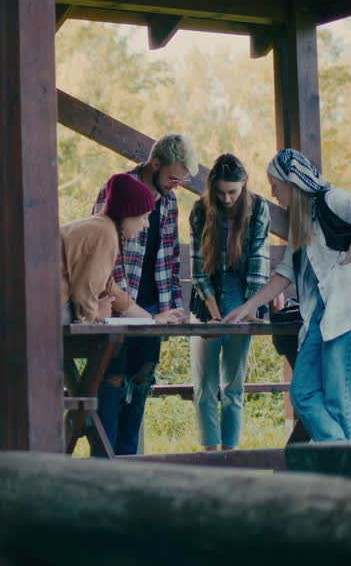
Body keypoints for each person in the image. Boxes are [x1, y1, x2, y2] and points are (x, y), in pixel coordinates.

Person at [223, 149, 351, 442]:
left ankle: (345, 466)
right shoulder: (301, 222)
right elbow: (285, 272)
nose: (273, 193)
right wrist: (248, 306)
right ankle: (343, 455)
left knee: (340, 402)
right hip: (322, 314)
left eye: (275, 185)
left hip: (350, 310)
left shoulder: (330, 200)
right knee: (303, 393)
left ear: (292, 182)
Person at [86, 133, 196, 457]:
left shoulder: (170, 200)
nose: (176, 186)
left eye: (181, 181)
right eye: (173, 178)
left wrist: (173, 308)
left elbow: (171, 257)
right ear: (156, 164)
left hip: (153, 303)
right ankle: (105, 462)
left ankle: (130, 462)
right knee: (112, 380)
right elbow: (104, 252)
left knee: (142, 380)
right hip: (118, 302)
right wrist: (125, 306)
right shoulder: (119, 187)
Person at [188, 154, 272, 451]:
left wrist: (248, 309)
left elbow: (259, 261)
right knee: (205, 385)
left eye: (232, 192)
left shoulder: (258, 208)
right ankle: (211, 455)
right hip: (206, 298)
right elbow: (198, 269)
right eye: (220, 192)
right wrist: (213, 316)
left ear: (244, 184)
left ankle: (230, 453)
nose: (226, 199)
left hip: (242, 295)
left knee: (233, 386)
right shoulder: (200, 209)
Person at [59, 173, 182, 326]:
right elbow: (84, 294)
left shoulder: (102, 226)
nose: (147, 224)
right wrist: (96, 313)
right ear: (128, 213)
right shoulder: (105, 233)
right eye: (144, 217)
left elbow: (109, 287)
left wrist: (152, 319)